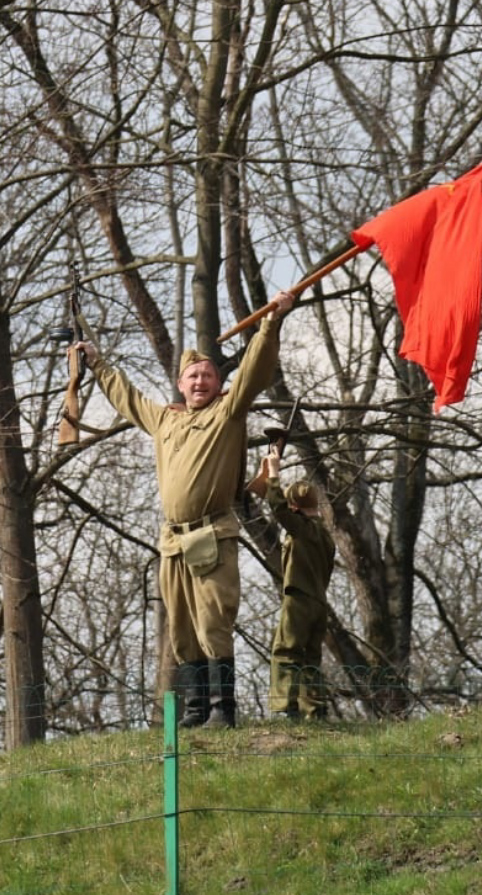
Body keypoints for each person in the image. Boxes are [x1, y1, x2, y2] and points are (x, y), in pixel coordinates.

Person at [72, 289, 294, 728]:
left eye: (207, 376)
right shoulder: (165, 419)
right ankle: (194, 709)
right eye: (192, 376)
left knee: (213, 623)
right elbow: (128, 398)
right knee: (182, 629)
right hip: (173, 539)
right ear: (180, 382)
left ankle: (221, 711)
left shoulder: (229, 412)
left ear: (218, 384)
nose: (200, 383)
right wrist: (96, 362)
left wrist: (272, 322)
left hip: (212, 534)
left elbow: (254, 370)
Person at [249, 442, 335, 721]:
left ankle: (286, 707)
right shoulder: (324, 535)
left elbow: (278, 509)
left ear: (295, 507)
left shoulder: (302, 529)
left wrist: (273, 473)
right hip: (319, 603)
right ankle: (314, 711)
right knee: (311, 659)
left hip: (299, 598)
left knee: (285, 651)